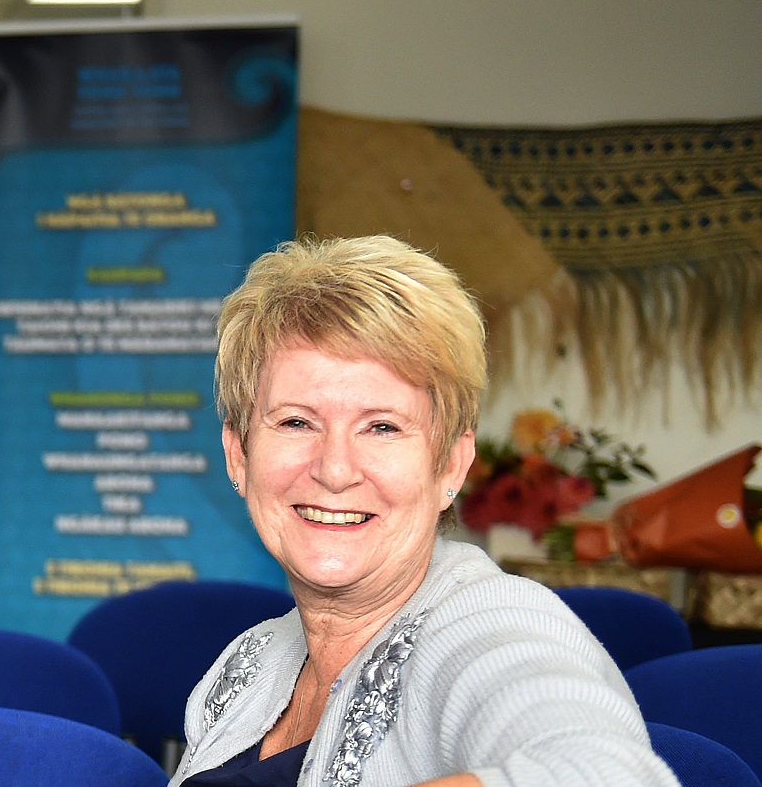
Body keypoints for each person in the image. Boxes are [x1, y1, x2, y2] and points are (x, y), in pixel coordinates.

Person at [171, 235, 674, 787]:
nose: (335, 470)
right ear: (238, 455)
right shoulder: (246, 663)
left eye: (382, 427)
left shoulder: (492, 625)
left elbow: (610, 776)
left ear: (451, 467)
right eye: (296, 422)